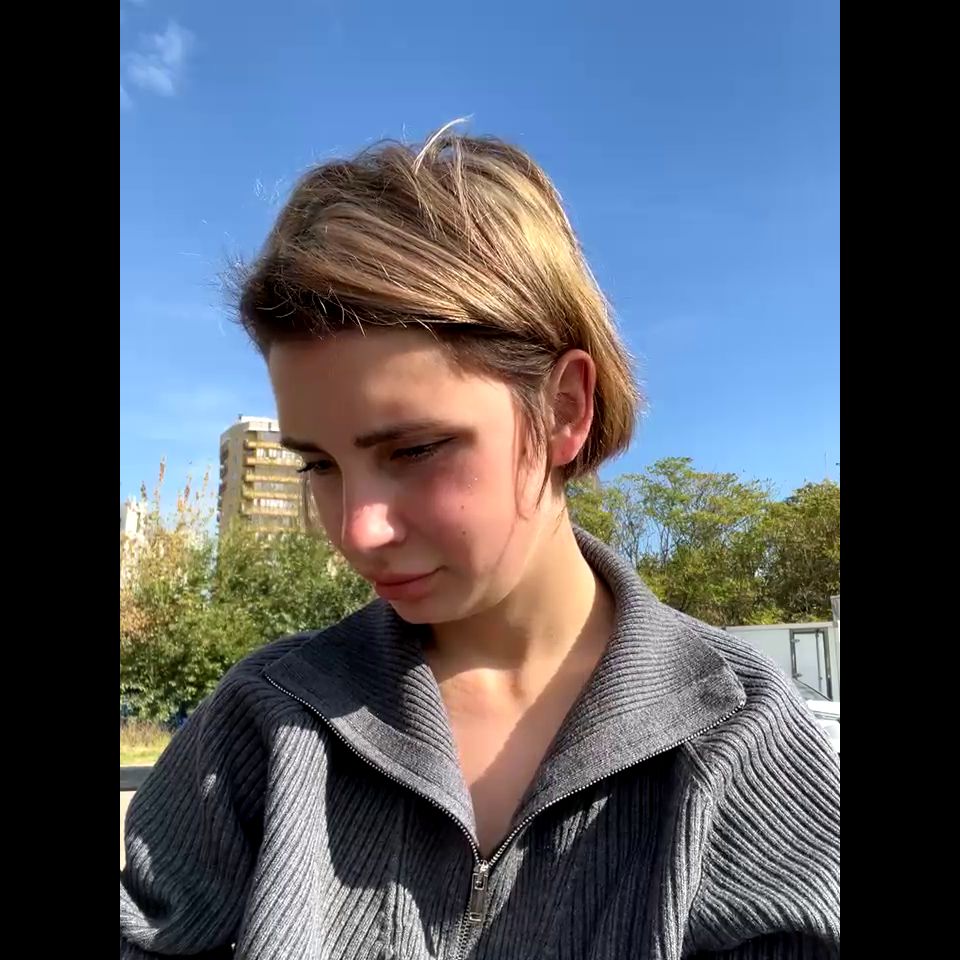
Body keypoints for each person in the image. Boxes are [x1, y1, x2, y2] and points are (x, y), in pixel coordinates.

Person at [121, 124, 840, 959]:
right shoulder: (261, 726)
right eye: (320, 465)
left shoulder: (741, 740)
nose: (357, 529)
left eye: (415, 450)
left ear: (566, 408)